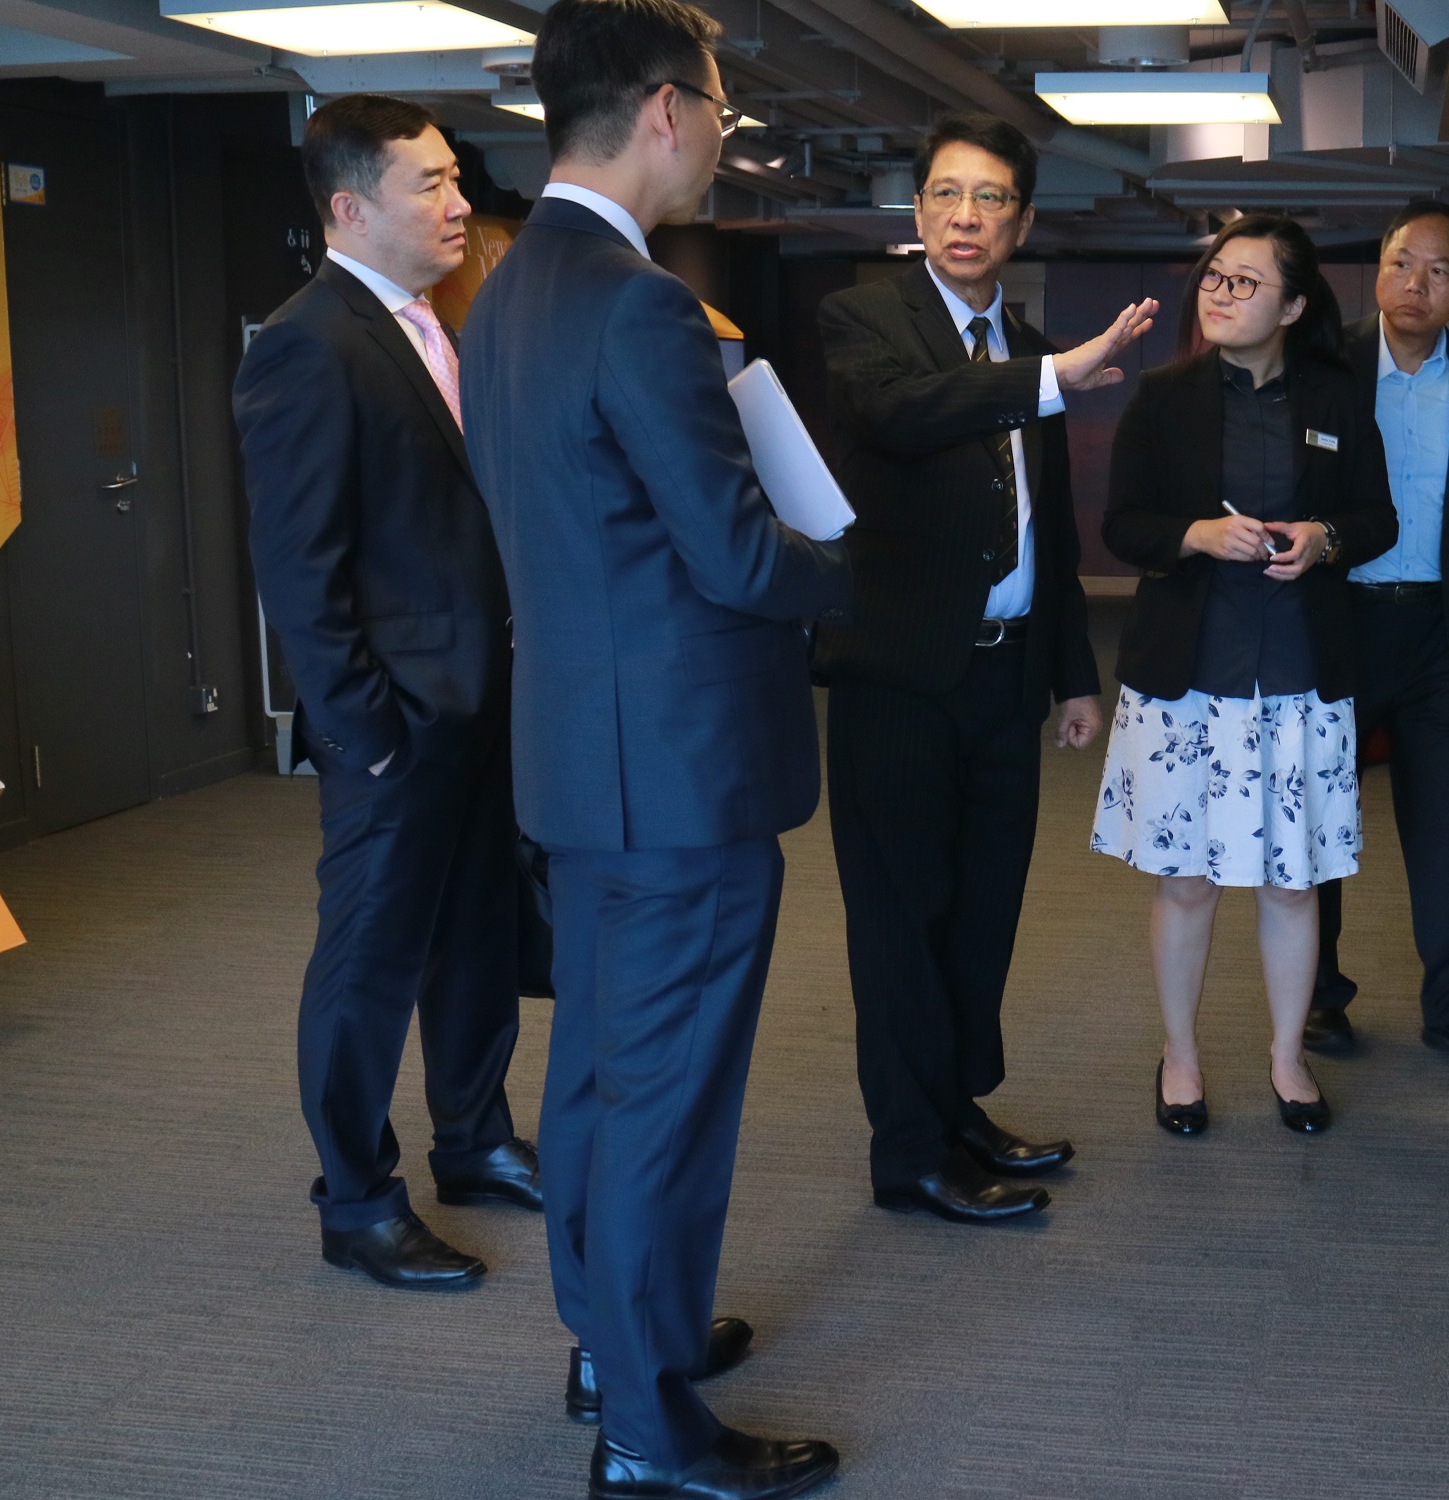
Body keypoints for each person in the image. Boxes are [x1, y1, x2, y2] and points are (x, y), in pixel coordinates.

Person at [458, 2, 849, 1495]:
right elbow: (740, 556)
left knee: (599, 1084)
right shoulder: (640, 305)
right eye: (724, 111)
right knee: (664, 1106)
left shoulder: (507, 291)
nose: (723, 140)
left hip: (581, 763)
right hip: (679, 780)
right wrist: (845, 571)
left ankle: (615, 1346)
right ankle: (648, 1430)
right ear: (669, 109)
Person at [815, 114, 1157, 1225]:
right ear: (917, 211)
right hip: (898, 681)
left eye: (991, 198)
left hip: (1004, 682)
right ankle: (909, 1152)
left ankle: (955, 1111)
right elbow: (902, 416)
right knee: (900, 921)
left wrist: (1071, 674)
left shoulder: (1024, 345)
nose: (966, 216)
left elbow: (1047, 528)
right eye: (947, 195)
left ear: (1021, 220)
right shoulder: (868, 320)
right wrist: (1050, 376)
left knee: (981, 913)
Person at [234, 93, 536, 1293]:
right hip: (395, 731)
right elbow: (298, 572)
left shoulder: (429, 326)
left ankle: (474, 1140)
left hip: (481, 708)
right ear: (350, 208)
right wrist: (365, 737)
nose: (460, 203)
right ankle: (356, 1202)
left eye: (457, 177)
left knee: (477, 941)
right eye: (431, 183)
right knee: (368, 967)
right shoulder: (308, 343)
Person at [1092, 214, 1399, 1136]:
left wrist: (1323, 539)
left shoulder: (1336, 398)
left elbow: (1375, 519)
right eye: (1214, 277)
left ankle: (1286, 1055)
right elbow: (1122, 525)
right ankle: (1179, 1055)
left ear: (1293, 306)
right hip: (1189, 678)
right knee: (1186, 880)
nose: (1220, 295)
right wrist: (1192, 534)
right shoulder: (1163, 397)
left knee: (1291, 881)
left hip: (1300, 675)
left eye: (1244, 282)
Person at [1306, 201, 1449, 1067]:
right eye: (1401, 263)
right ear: (1377, 271)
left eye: (1437, 271)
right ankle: (1317, 998)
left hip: (1436, 629)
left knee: (1444, 825)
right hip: (1337, 623)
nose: (1414, 284)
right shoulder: (1325, 364)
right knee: (1320, 819)